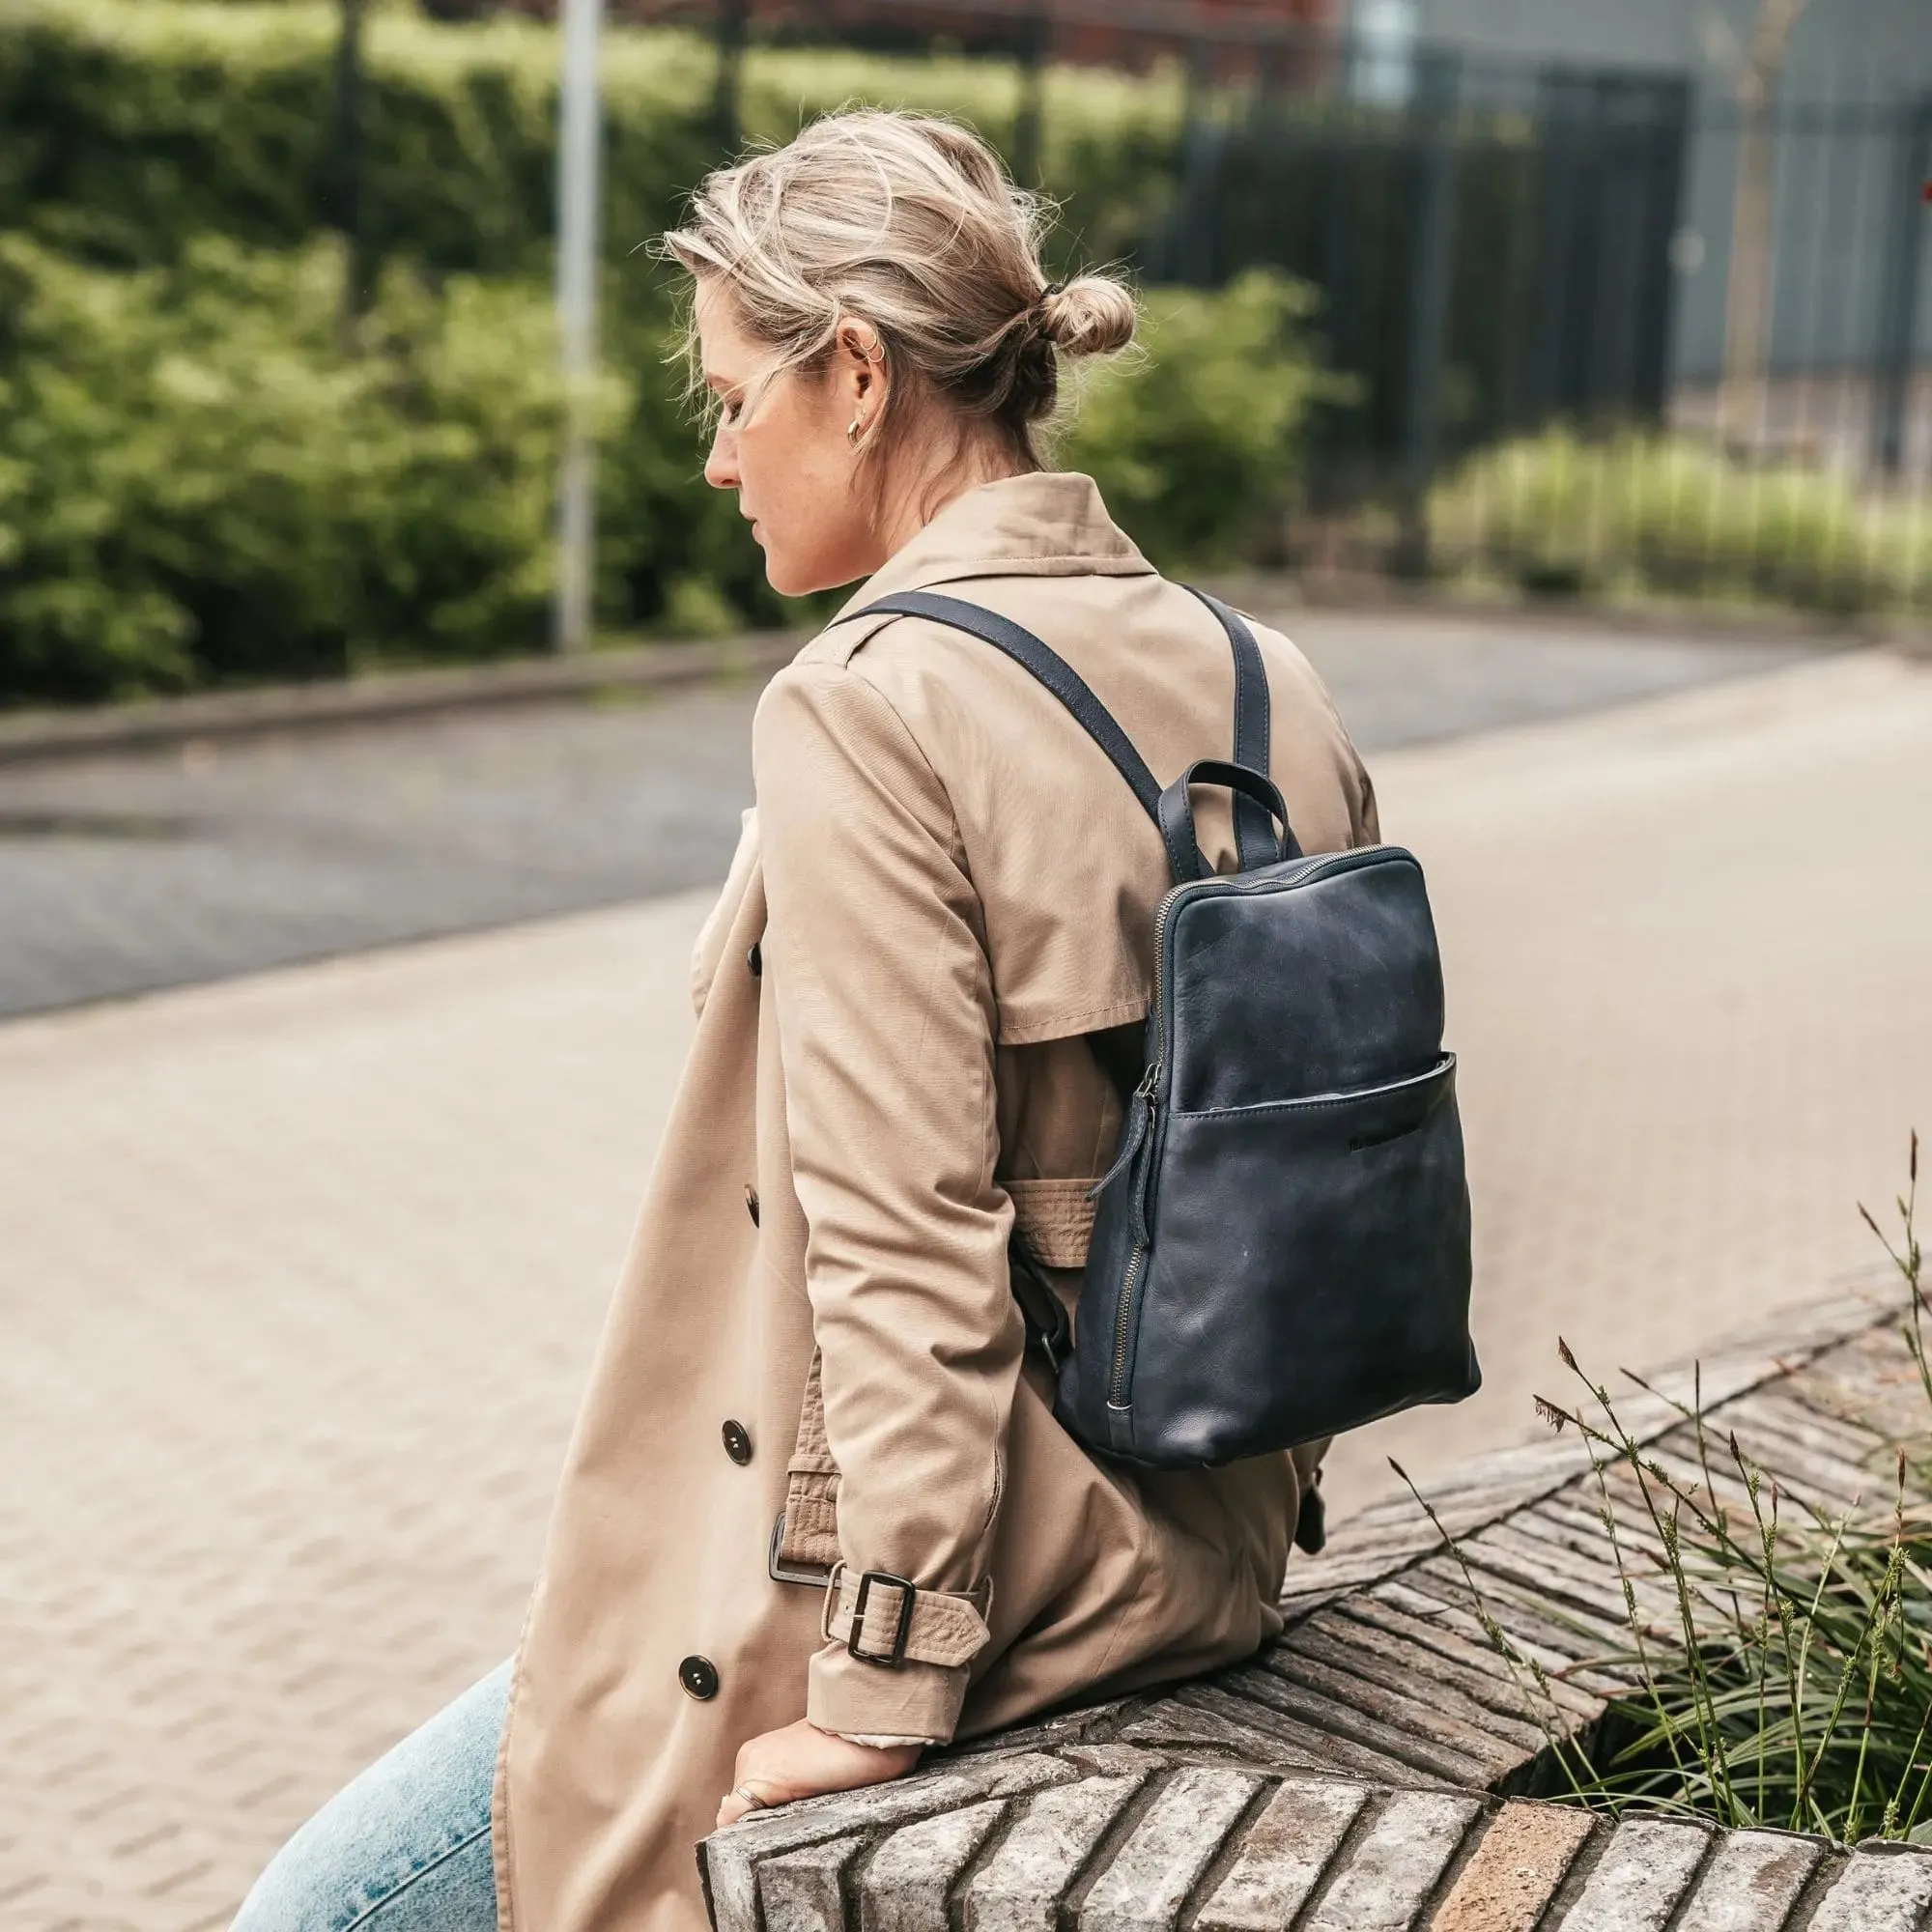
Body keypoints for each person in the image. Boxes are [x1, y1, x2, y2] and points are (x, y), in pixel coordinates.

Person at [234, 107, 1379, 1932]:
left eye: (729, 398)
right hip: (1208, 1554)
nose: (715, 458)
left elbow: (906, 1244)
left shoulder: (870, 703)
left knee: (319, 1916)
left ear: (855, 374)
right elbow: (1321, 1166)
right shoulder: (1265, 674)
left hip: (960, 1581)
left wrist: (885, 1684)